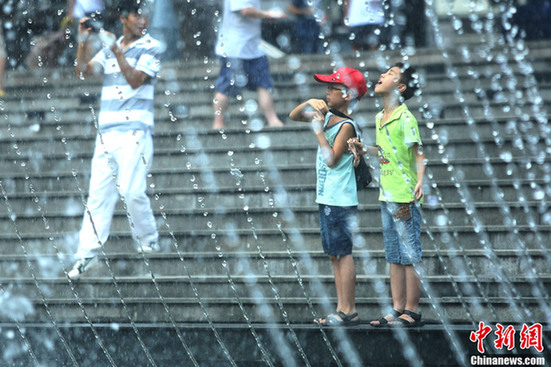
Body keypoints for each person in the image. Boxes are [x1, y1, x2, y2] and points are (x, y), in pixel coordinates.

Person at [68, 0, 162, 280]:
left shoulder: (152, 47)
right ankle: (86, 255)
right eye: (136, 16)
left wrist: (115, 49)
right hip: (107, 132)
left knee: (132, 191)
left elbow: (135, 80)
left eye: (144, 16)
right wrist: (83, 42)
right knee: (98, 195)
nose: (142, 20)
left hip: (136, 131)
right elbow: (82, 72)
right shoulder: (111, 47)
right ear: (123, 17)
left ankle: (149, 240)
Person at [349, 63, 425, 327]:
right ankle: (397, 307)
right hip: (387, 195)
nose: (381, 75)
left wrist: (420, 182)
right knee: (393, 253)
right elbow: (383, 151)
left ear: (400, 87)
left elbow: (419, 153)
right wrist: (363, 148)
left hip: (404, 195)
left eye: (390, 75)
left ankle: (412, 310)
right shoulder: (380, 117)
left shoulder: (405, 118)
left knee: (409, 252)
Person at [289, 67, 367, 326]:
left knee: (343, 252)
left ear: (347, 94)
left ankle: (348, 309)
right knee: (334, 254)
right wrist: (309, 104)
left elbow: (332, 159)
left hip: (340, 198)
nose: (327, 92)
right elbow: (294, 115)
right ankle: (341, 307)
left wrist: (319, 132)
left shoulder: (346, 125)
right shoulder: (328, 116)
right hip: (327, 197)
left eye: (332, 88)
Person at [212, 0, 285, 130]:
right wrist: (267, 14)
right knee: (224, 87)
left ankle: (272, 119)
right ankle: (218, 123)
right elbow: (245, 10)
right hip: (234, 49)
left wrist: (266, 16)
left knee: (264, 85)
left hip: (253, 48)